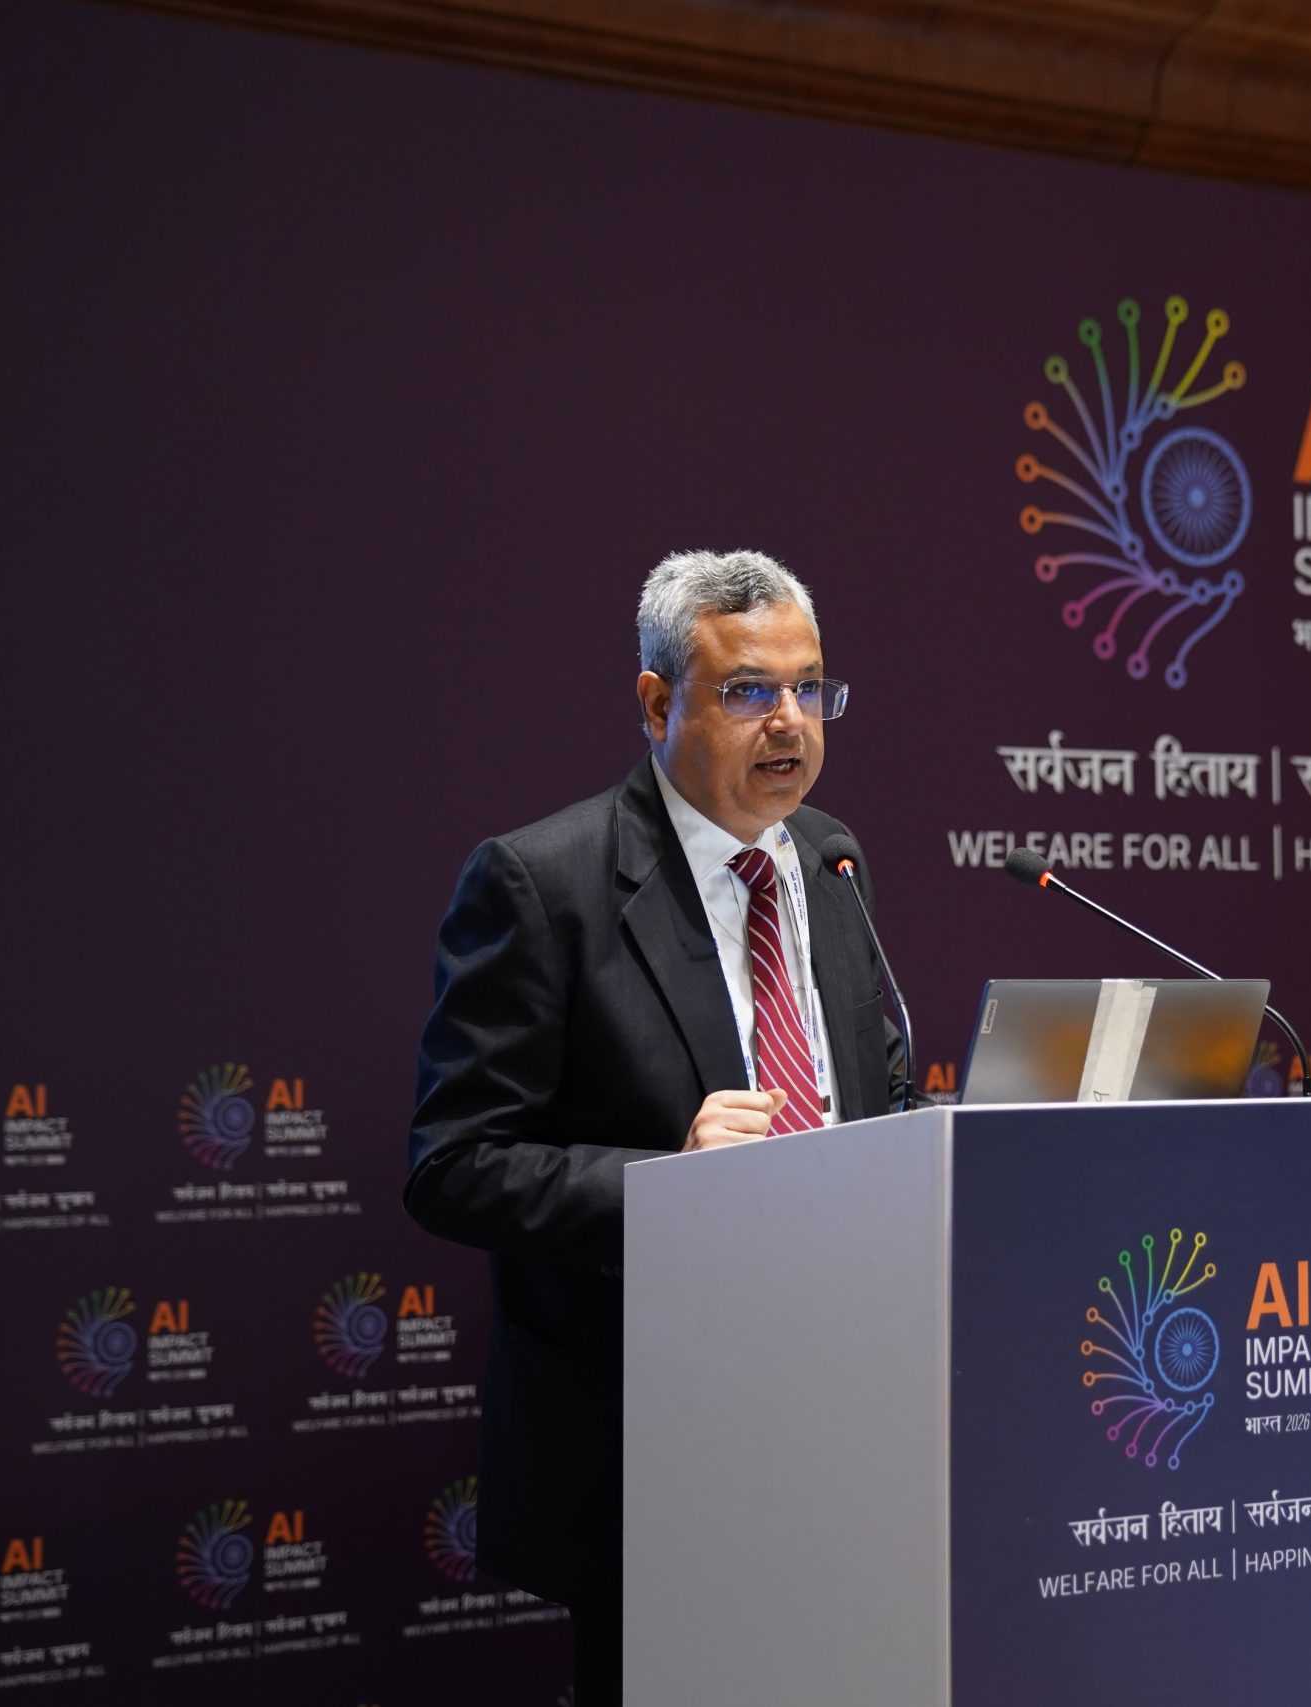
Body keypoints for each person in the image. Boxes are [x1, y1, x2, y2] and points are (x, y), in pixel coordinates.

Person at [404, 549, 907, 1705]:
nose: (789, 722)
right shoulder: (542, 883)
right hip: (655, 1431)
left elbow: (869, 1090)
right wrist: (667, 1184)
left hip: (847, 1400)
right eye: (748, 690)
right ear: (654, 701)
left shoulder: (830, 859)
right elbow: (453, 1163)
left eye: (809, 689)